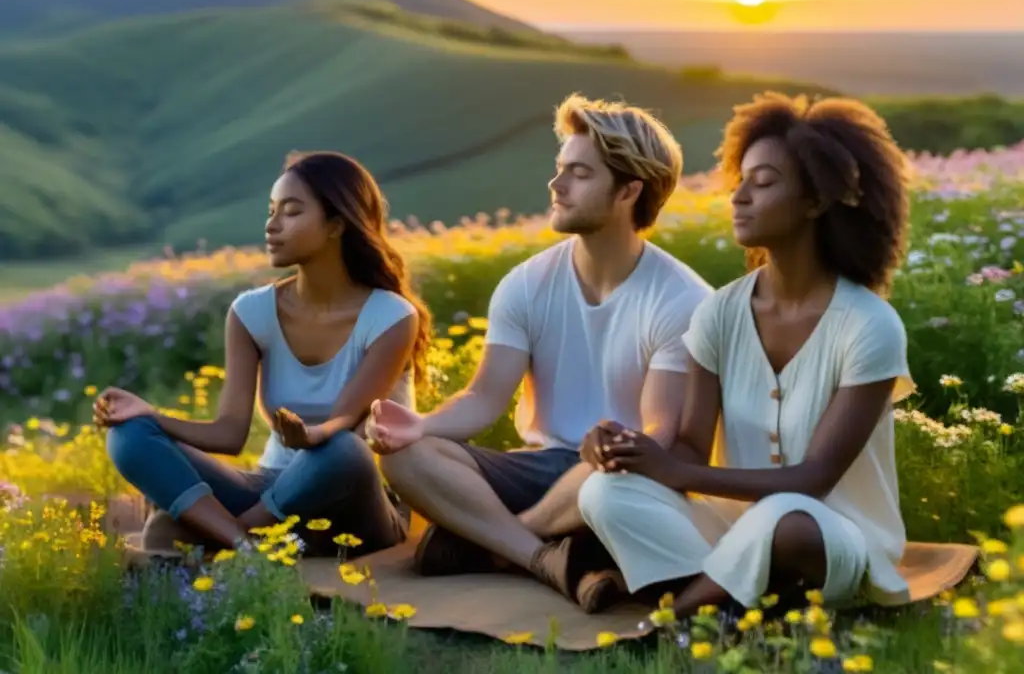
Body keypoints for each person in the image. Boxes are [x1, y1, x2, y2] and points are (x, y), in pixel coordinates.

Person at [365, 93, 713, 610]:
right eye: (559, 169)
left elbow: (657, 435)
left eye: (579, 173)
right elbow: (484, 398)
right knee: (406, 456)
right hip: (538, 467)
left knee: (614, 480)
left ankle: (496, 544)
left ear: (629, 190)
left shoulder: (683, 299)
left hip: (616, 479)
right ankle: (546, 557)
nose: (556, 184)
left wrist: (610, 452)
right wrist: (419, 428)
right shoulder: (527, 284)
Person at [577, 92, 916, 619]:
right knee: (604, 493)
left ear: (816, 200)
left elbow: (812, 480)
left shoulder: (870, 326)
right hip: (733, 526)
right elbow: (690, 447)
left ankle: (678, 612)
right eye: (740, 181)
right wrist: (626, 449)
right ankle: (743, 592)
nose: (738, 197)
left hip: (830, 538)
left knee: (783, 518)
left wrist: (674, 472)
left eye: (763, 183)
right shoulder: (719, 314)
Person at [94, 151, 432, 556]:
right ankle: (249, 547)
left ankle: (224, 534)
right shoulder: (251, 312)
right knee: (128, 436)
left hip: (358, 501)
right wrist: (150, 416)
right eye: (271, 211)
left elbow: (346, 421)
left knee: (343, 449)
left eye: (291, 212)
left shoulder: (392, 316)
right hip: (273, 490)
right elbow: (229, 434)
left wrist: (313, 436)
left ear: (336, 225)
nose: (271, 226)